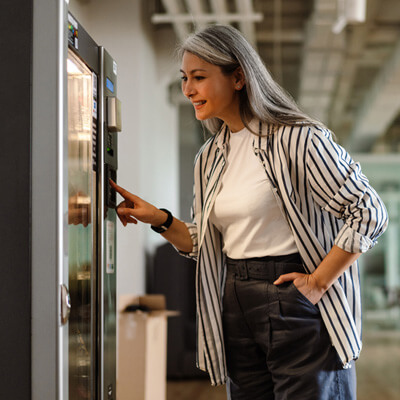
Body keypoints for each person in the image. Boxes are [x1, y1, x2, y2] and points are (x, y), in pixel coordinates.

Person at [110, 25, 388, 399]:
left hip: (294, 298)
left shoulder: (298, 139)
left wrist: (319, 281)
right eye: (184, 79)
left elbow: (368, 210)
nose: (188, 90)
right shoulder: (209, 158)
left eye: (199, 77)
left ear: (238, 77)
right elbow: (205, 243)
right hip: (234, 301)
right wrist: (159, 219)